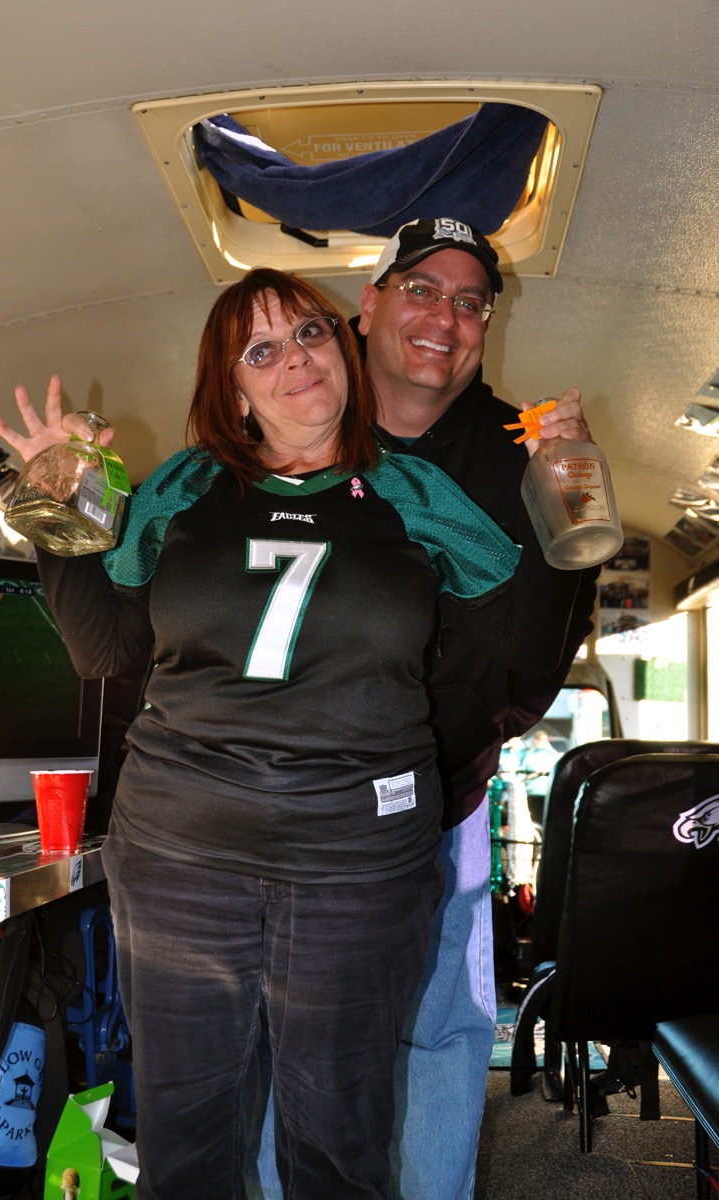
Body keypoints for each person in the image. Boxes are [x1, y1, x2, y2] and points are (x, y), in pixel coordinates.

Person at [0, 266, 579, 1200]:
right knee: (189, 1141)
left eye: (308, 333)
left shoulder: (414, 490)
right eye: (259, 351)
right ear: (232, 390)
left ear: (343, 345)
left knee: (340, 1139)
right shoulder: (184, 487)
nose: (294, 360)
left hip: (357, 862)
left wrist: (562, 493)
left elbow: (524, 640)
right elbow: (103, 647)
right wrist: (58, 498)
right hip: (181, 854)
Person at [251, 219, 599, 1200]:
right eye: (419, 289)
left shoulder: (518, 454)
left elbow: (540, 652)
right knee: (281, 1037)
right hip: (289, 809)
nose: (443, 317)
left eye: (469, 301)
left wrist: (565, 495)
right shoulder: (296, 417)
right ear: (366, 306)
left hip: (439, 802)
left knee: (438, 1034)